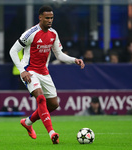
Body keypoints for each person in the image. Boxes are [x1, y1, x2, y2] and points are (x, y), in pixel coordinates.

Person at [9, 5, 85, 144]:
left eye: (51, 18)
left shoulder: (53, 34)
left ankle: (27, 122)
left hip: (44, 72)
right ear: (40, 18)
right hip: (29, 70)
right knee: (41, 99)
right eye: (47, 18)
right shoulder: (30, 33)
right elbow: (13, 51)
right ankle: (52, 133)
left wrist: (74, 60)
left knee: (54, 104)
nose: (50, 20)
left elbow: (59, 55)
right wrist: (22, 71)